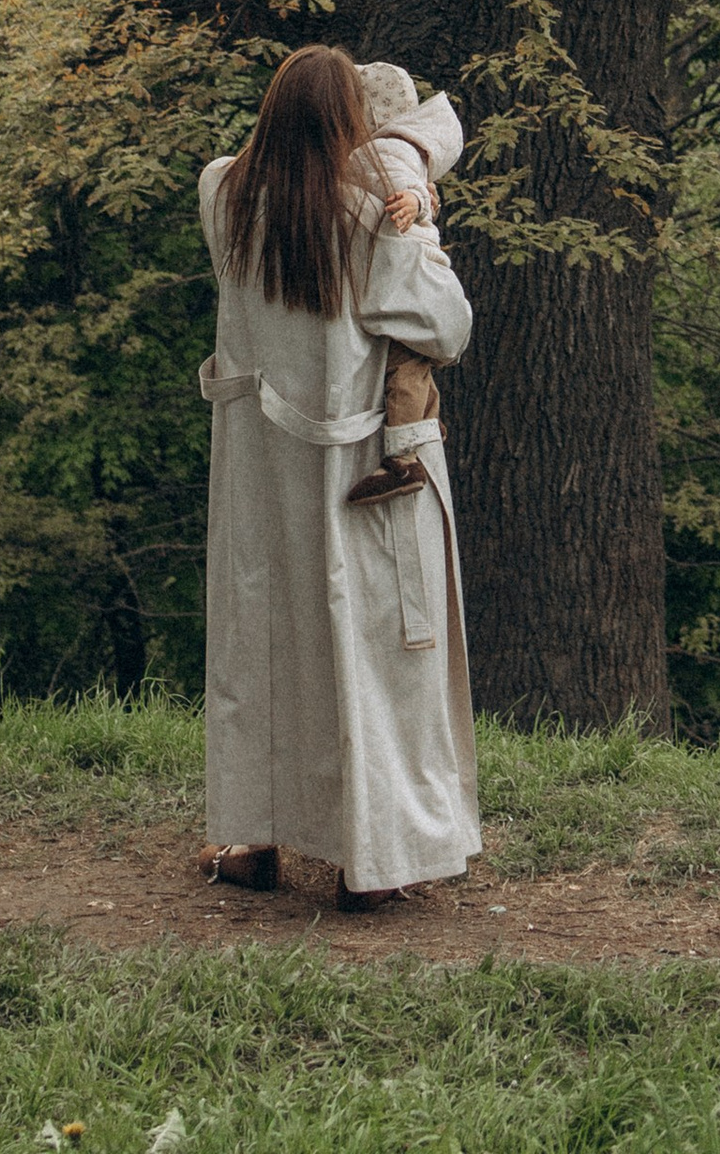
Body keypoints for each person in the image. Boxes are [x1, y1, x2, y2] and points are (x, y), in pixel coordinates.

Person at [197, 46, 480, 908]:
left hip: (254, 465)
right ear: (349, 122)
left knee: (258, 643)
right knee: (369, 652)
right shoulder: (367, 214)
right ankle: (374, 859)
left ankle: (252, 838)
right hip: (357, 468)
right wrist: (419, 220)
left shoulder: (222, 193)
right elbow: (446, 326)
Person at [342, 60, 463, 511]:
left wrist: (414, 202)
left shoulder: (386, 151)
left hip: (414, 280)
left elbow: (407, 189)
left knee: (404, 368)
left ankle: (403, 459)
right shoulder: (396, 149)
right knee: (416, 365)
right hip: (424, 279)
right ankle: (425, 426)